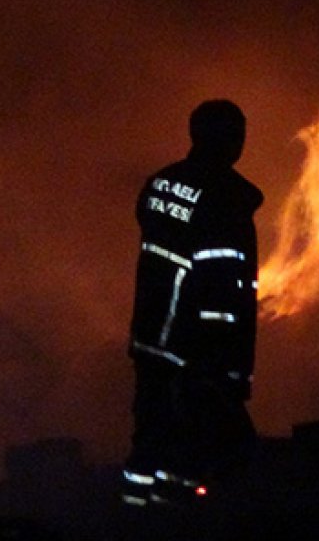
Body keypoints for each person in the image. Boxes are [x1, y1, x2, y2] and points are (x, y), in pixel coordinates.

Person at [122, 99, 264, 509]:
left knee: (150, 438)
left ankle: (134, 515)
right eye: (236, 134)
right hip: (196, 351)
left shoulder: (160, 185)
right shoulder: (225, 201)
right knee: (206, 450)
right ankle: (177, 518)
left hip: (151, 336)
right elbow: (222, 289)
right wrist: (226, 368)